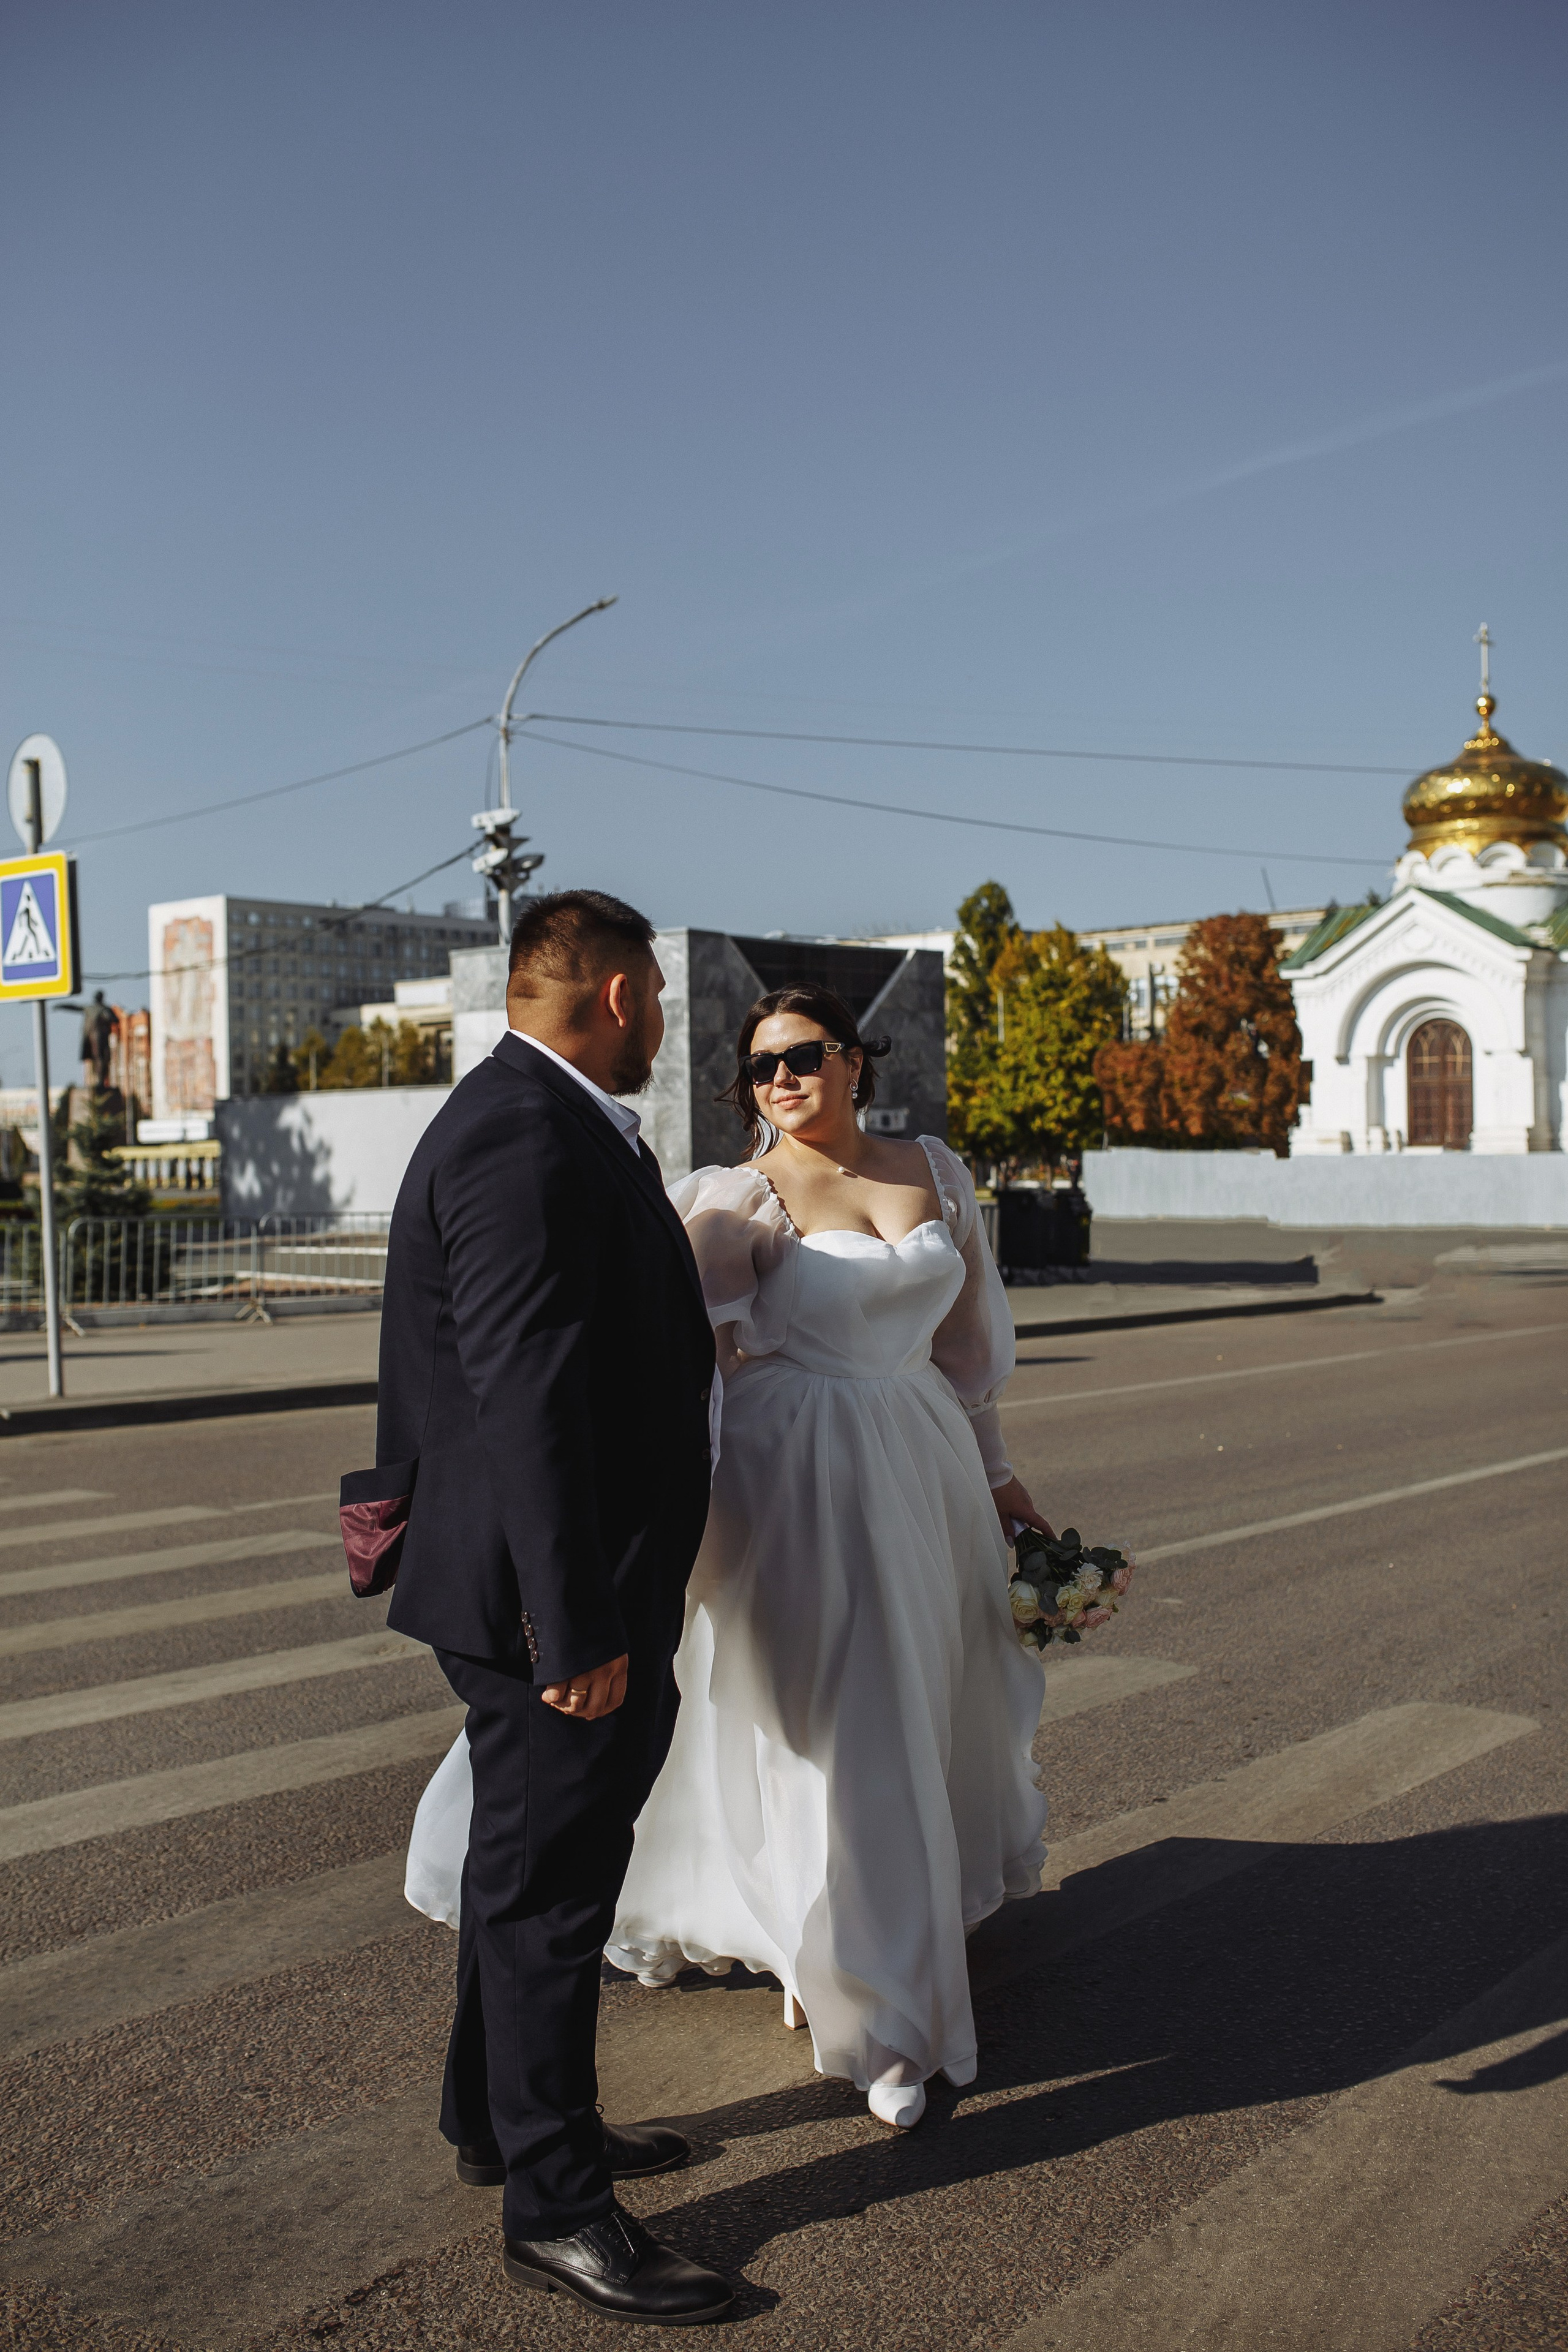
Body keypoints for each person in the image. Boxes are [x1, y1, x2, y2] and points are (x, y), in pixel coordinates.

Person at [408, 982, 1052, 2135]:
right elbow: (657, 1363)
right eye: (759, 1069)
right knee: (844, 1731)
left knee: (918, 1705)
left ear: (857, 1059)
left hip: (924, 1470)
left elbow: (968, 1359)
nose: (782, 1082)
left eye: (802, 1056)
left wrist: (1005, 1489)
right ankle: (878, 2008)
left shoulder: (937, 1172)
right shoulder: (734, 1196)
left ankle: (867, 1938)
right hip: (789, 1486)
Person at [377, 889, 732, 2325]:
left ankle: (506, 2124)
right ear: (623, 994)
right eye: (651, 991)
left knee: (522, 1878)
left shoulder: (532, 1115)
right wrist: (572, 1627)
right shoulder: (526, 1134)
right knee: (549, 1895)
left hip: (552, 1582)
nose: (657, 1016)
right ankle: (558, 2209)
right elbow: (524, 1400)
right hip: (553, 1600)